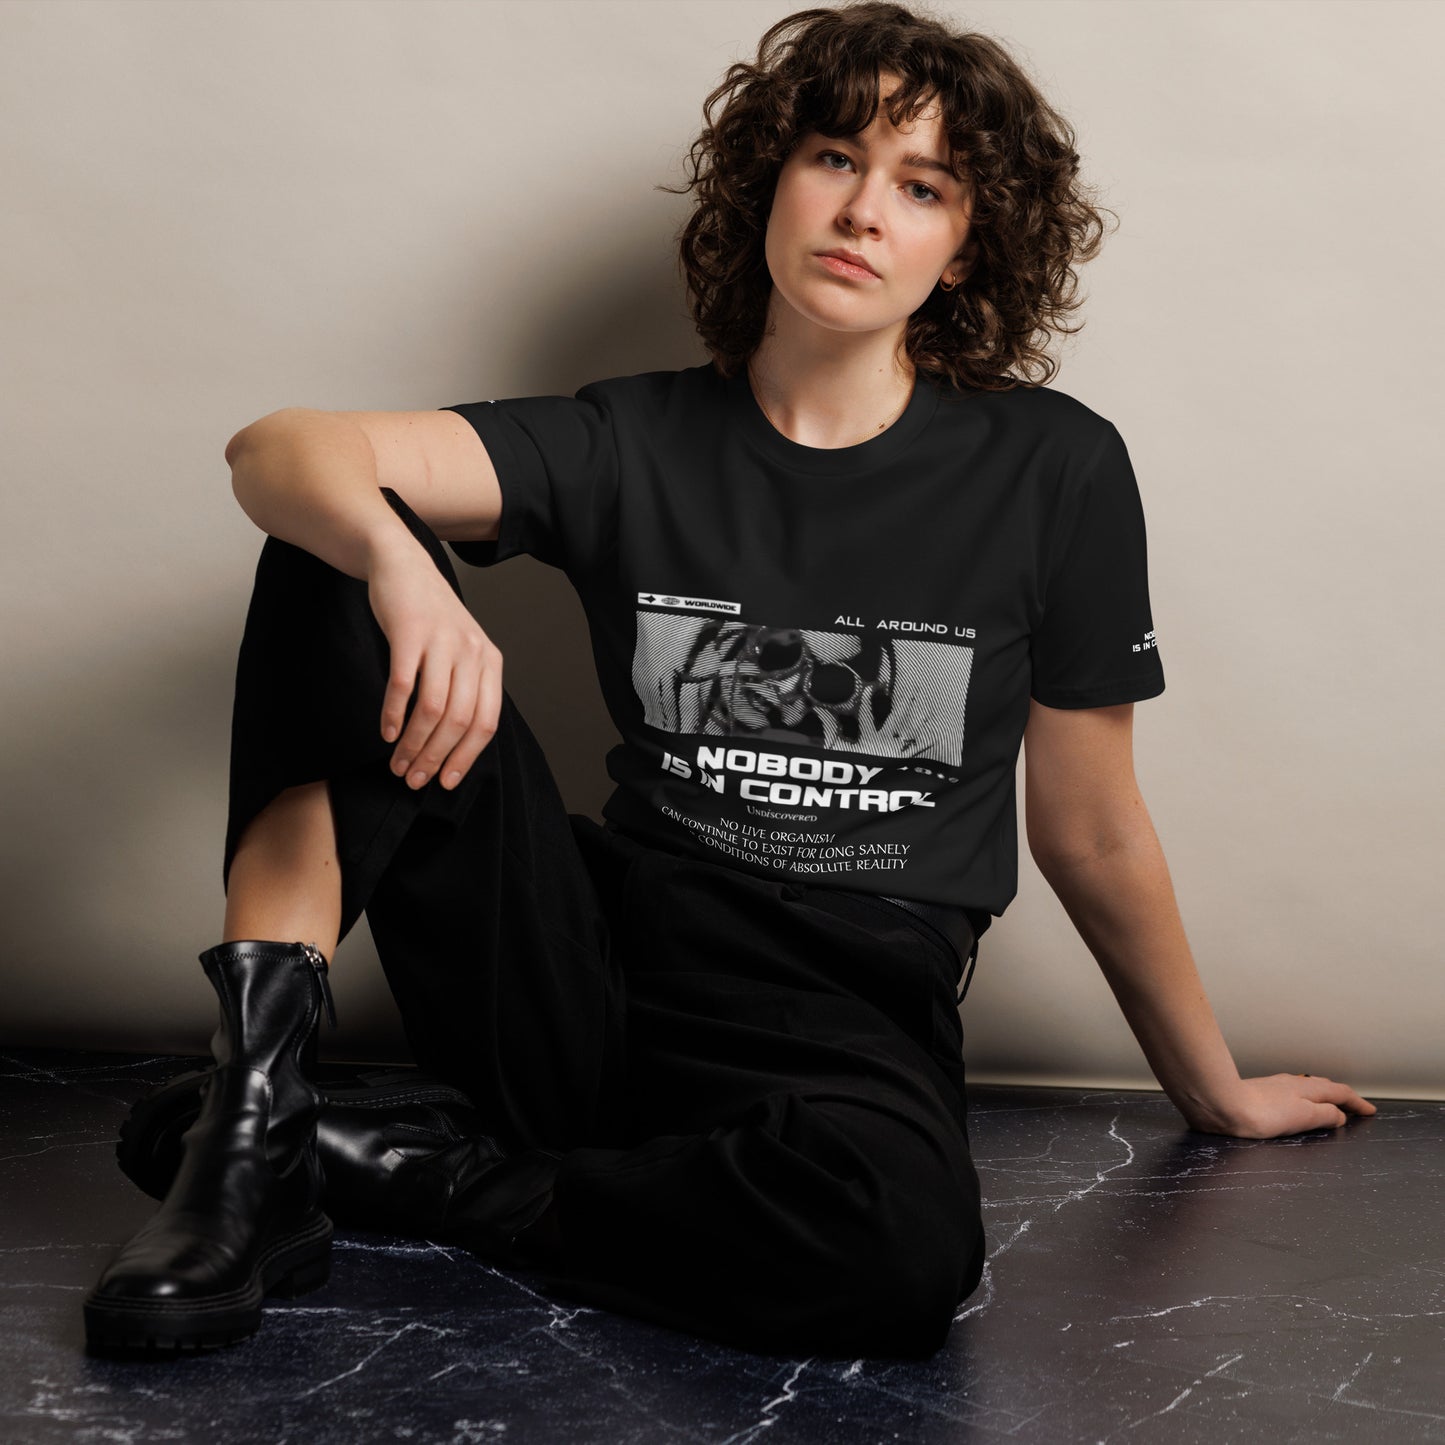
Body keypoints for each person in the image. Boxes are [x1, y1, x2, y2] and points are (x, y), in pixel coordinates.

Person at [82, 0, 1376, 1360]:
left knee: (894, 1249)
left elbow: (1093, 827)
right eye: (836, 158)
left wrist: (1210, 1088)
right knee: (330, 547)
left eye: (922, 186)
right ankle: (249, 1129)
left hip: (841, 1001)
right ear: (771, 182)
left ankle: (416, 1173)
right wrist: (400, 566)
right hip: (589, 968)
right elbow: (278, 449)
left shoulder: (1053, 469)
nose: (863, 209)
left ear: (964, 249)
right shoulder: (631, 436)